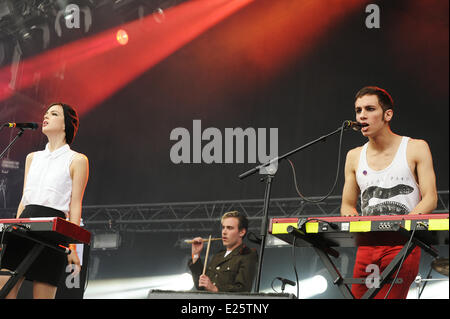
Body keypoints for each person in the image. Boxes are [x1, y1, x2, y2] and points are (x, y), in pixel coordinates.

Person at [340, 86, 438, 299]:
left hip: (402, 244)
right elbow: (347, 204)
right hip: (367, 245)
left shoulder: (416, 147)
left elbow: (430, 197)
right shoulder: (354, 156)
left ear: (387, 114)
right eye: (358, 110)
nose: (362, 115)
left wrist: (406, 224)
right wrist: (352, 218)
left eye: (369, 108)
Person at [0, 102, 89, 299]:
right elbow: (25, 198)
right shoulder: (33, 158)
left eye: (54, 114)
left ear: (66, 124)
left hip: (54, 232)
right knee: (5, 290)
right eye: (46, 113)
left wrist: (72, 246)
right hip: (24, 225)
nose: (46, 116)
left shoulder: (77, 160)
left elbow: (75, 204)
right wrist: (13, 226)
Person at [188, 211, 258, 293]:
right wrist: (196, 254)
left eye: (229, 228)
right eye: (223, 227)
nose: (224, 232)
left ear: (242, 232)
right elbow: (201, 286)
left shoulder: (247, 255)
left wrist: (215, 289)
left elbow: (243, 289)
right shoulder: (218, 256)